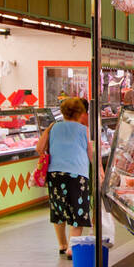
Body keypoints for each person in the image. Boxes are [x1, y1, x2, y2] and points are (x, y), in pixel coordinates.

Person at [37, 96, 94, 258]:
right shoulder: (83, 130)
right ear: (80, 113)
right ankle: (72, 247)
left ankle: (62, 244)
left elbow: (38, 148)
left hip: (55, 174)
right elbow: (91, 154)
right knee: (78, 210)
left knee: (59, 209)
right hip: (78, 175)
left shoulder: (53, 127)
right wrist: (100, 172)